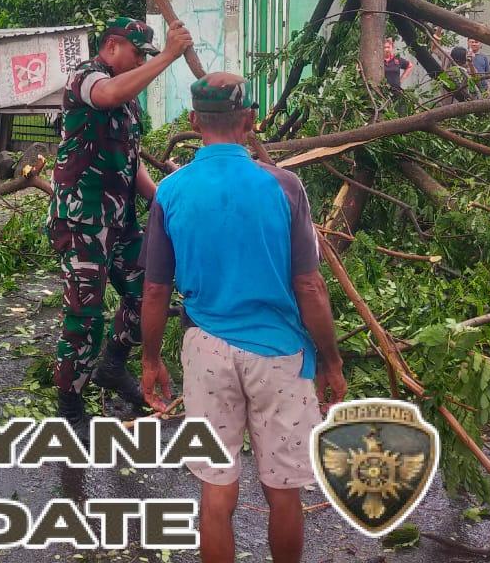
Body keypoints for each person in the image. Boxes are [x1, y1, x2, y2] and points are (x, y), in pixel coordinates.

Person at [140, 73, 346, 563]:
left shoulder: (170, 191)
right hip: (279, 356)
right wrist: (333, 362)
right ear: (250, 121)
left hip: (206, 351)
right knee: (283, 491)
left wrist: (150, 359)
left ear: (193, 122)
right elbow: (310, 286)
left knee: (217, 489)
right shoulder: (285, 187)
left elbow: (154, 288)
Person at [50, 16, 192, 439]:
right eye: (137, 52)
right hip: (82, 221)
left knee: (146, 296)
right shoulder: (86, 80)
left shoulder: (128, 102)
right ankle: (70, 407)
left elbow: (129, 163)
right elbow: (108, 93)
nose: (139, 61)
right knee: (85, 315)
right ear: (112, 46)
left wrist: (164, 196)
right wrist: (168, 55)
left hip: (121, 219)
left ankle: (112, 365)